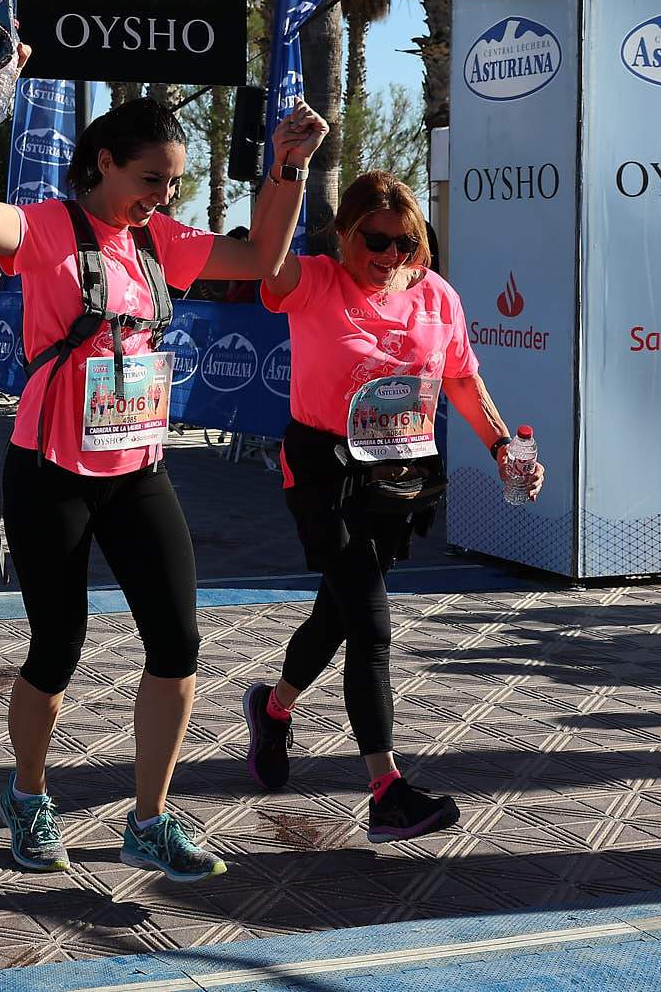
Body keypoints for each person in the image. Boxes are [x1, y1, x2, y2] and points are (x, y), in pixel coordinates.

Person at [0, 60, 324, 881]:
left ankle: (148, 819)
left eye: (174, 182)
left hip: (137, 466)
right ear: (102, 163)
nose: (163, 195)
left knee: (179, 644)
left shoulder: (163, 241)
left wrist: (288, 168)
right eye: (151, 178)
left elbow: (263, 254)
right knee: (57, 647)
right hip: (49, 467)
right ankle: (27, 793)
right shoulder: (48, 228)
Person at [241, 171, 545, 845]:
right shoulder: (316, 280)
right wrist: (289, 169)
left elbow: (462, 376)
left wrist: (501, 446)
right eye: (374, 239)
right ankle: (386, 791)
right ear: (345, 232)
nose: (389, 254)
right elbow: (266, 257)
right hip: (323, 471)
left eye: (405, 242)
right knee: (371, 624)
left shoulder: (436, 296)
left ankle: (273, 706)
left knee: (338, 612)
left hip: (398, 477)